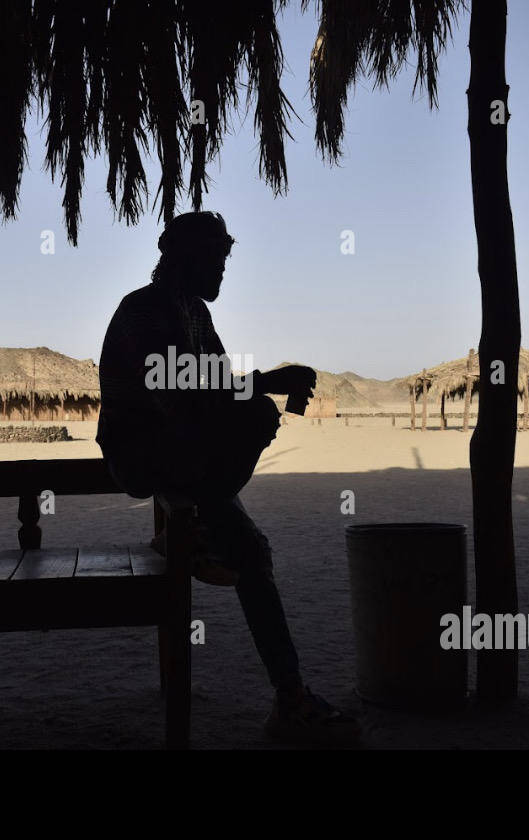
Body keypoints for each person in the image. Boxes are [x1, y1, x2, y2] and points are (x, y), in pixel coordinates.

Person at [96, 210, 361, 746]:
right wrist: (267, 381)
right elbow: (182, 388)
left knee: (252, 549)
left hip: (189, 465)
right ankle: (191, 535)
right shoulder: (142, 311)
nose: (222, 271)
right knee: (257, 416)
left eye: (225, 259)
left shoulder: (194, 313)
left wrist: (257, 388)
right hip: (145, 456)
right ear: (185, 259)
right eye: (215, 259)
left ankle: (289, 697)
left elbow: (214, 384)